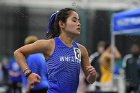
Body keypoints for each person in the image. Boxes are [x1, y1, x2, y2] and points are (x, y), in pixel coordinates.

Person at [14, 8, 96, 93]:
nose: (79, 24)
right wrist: (28, 74)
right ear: (62, 24)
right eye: (74, 20)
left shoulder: (81, 50)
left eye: (79, 21)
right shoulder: (49, 45)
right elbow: (18, 52)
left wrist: (92, 75)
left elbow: (90, 80)